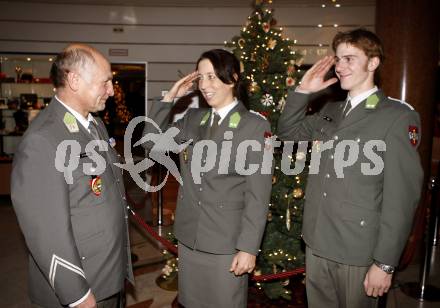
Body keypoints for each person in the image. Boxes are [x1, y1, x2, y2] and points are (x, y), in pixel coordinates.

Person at [277, 28, 423, 307]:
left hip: (358, 248)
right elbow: (287, 133)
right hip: (318, 241)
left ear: (373, 62)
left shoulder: (396, 116)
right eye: (338, 59)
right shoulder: (330, 111)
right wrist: (302, 91)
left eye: (349, 59)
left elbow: (401, 199)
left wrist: (385, 263)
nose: (340, 67)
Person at [143, 49, 272, 307]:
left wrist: (248, 247)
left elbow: (258, 194)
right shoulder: (193, 118)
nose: (204, 85)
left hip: (226, 243)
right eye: (201, 77)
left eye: (212, 77)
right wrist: (168, 99)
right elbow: (151, 145)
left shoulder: (254, 126)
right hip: (191, 238)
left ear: (233, 78)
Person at [11, 44, 134, 308]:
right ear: (75, 80)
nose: (111, 91)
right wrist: (76, 294)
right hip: (82, 287)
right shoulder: (44, 140)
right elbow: (44, 230)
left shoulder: (95, 124)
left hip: (106, 273)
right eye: (105, 82)